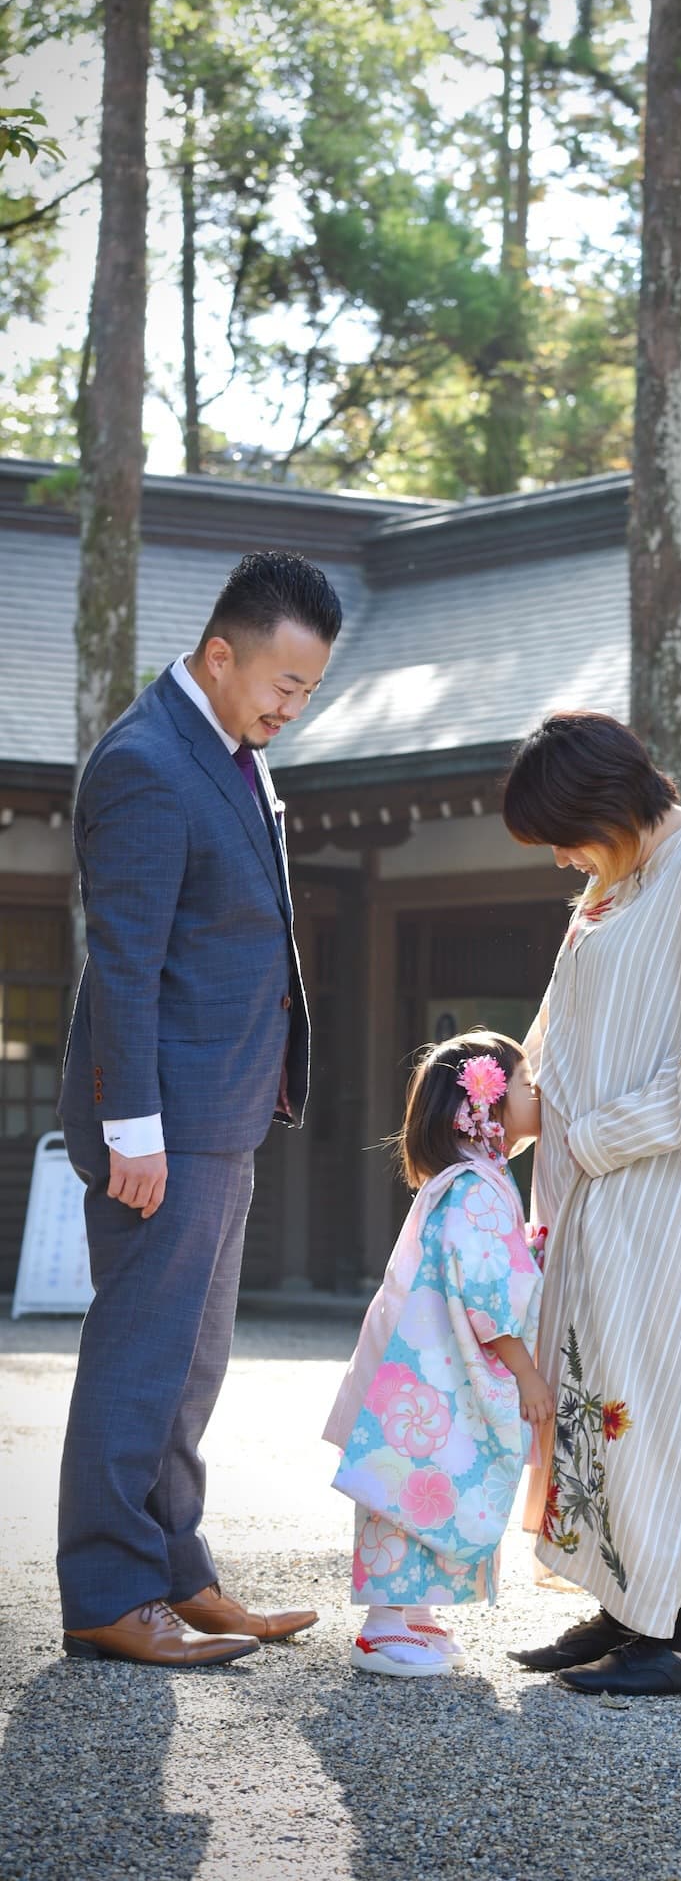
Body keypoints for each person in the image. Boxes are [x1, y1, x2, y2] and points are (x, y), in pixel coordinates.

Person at [57, 552, 342, 1667]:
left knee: (193, 1360)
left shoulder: (228, 751)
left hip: (218, 1112)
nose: (290, 705)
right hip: (160, 1127)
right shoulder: (143, 761)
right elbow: (123, 963)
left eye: (308, 690)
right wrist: (132, 1126)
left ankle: (177, 1568)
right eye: (281, 682)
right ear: (219, 653)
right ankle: (108, 1590)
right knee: (141, 1356)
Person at [501, 711, 681, 1697]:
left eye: (562, 835)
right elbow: (558, 1021)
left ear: (606, 805)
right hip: (594, 1194)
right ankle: (626, 1608)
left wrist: (588, 1135)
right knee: (600, 1397)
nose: (560, 860)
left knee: (663, 1404)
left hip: (668, 1197)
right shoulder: (613, 881)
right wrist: (518, 1104)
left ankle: (678, 1637)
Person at [323, 1032, 550, 1680]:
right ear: (486, 1105)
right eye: (529, 1081)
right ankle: (381, 1627)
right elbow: (486, 1287)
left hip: (418, 1371)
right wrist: (527, 1370)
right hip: (425, 1376)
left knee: (429, 1482)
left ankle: (414, 1612)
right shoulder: (475, 1188)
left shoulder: (472, 1179)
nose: (541, 1091)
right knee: (408, 1486)